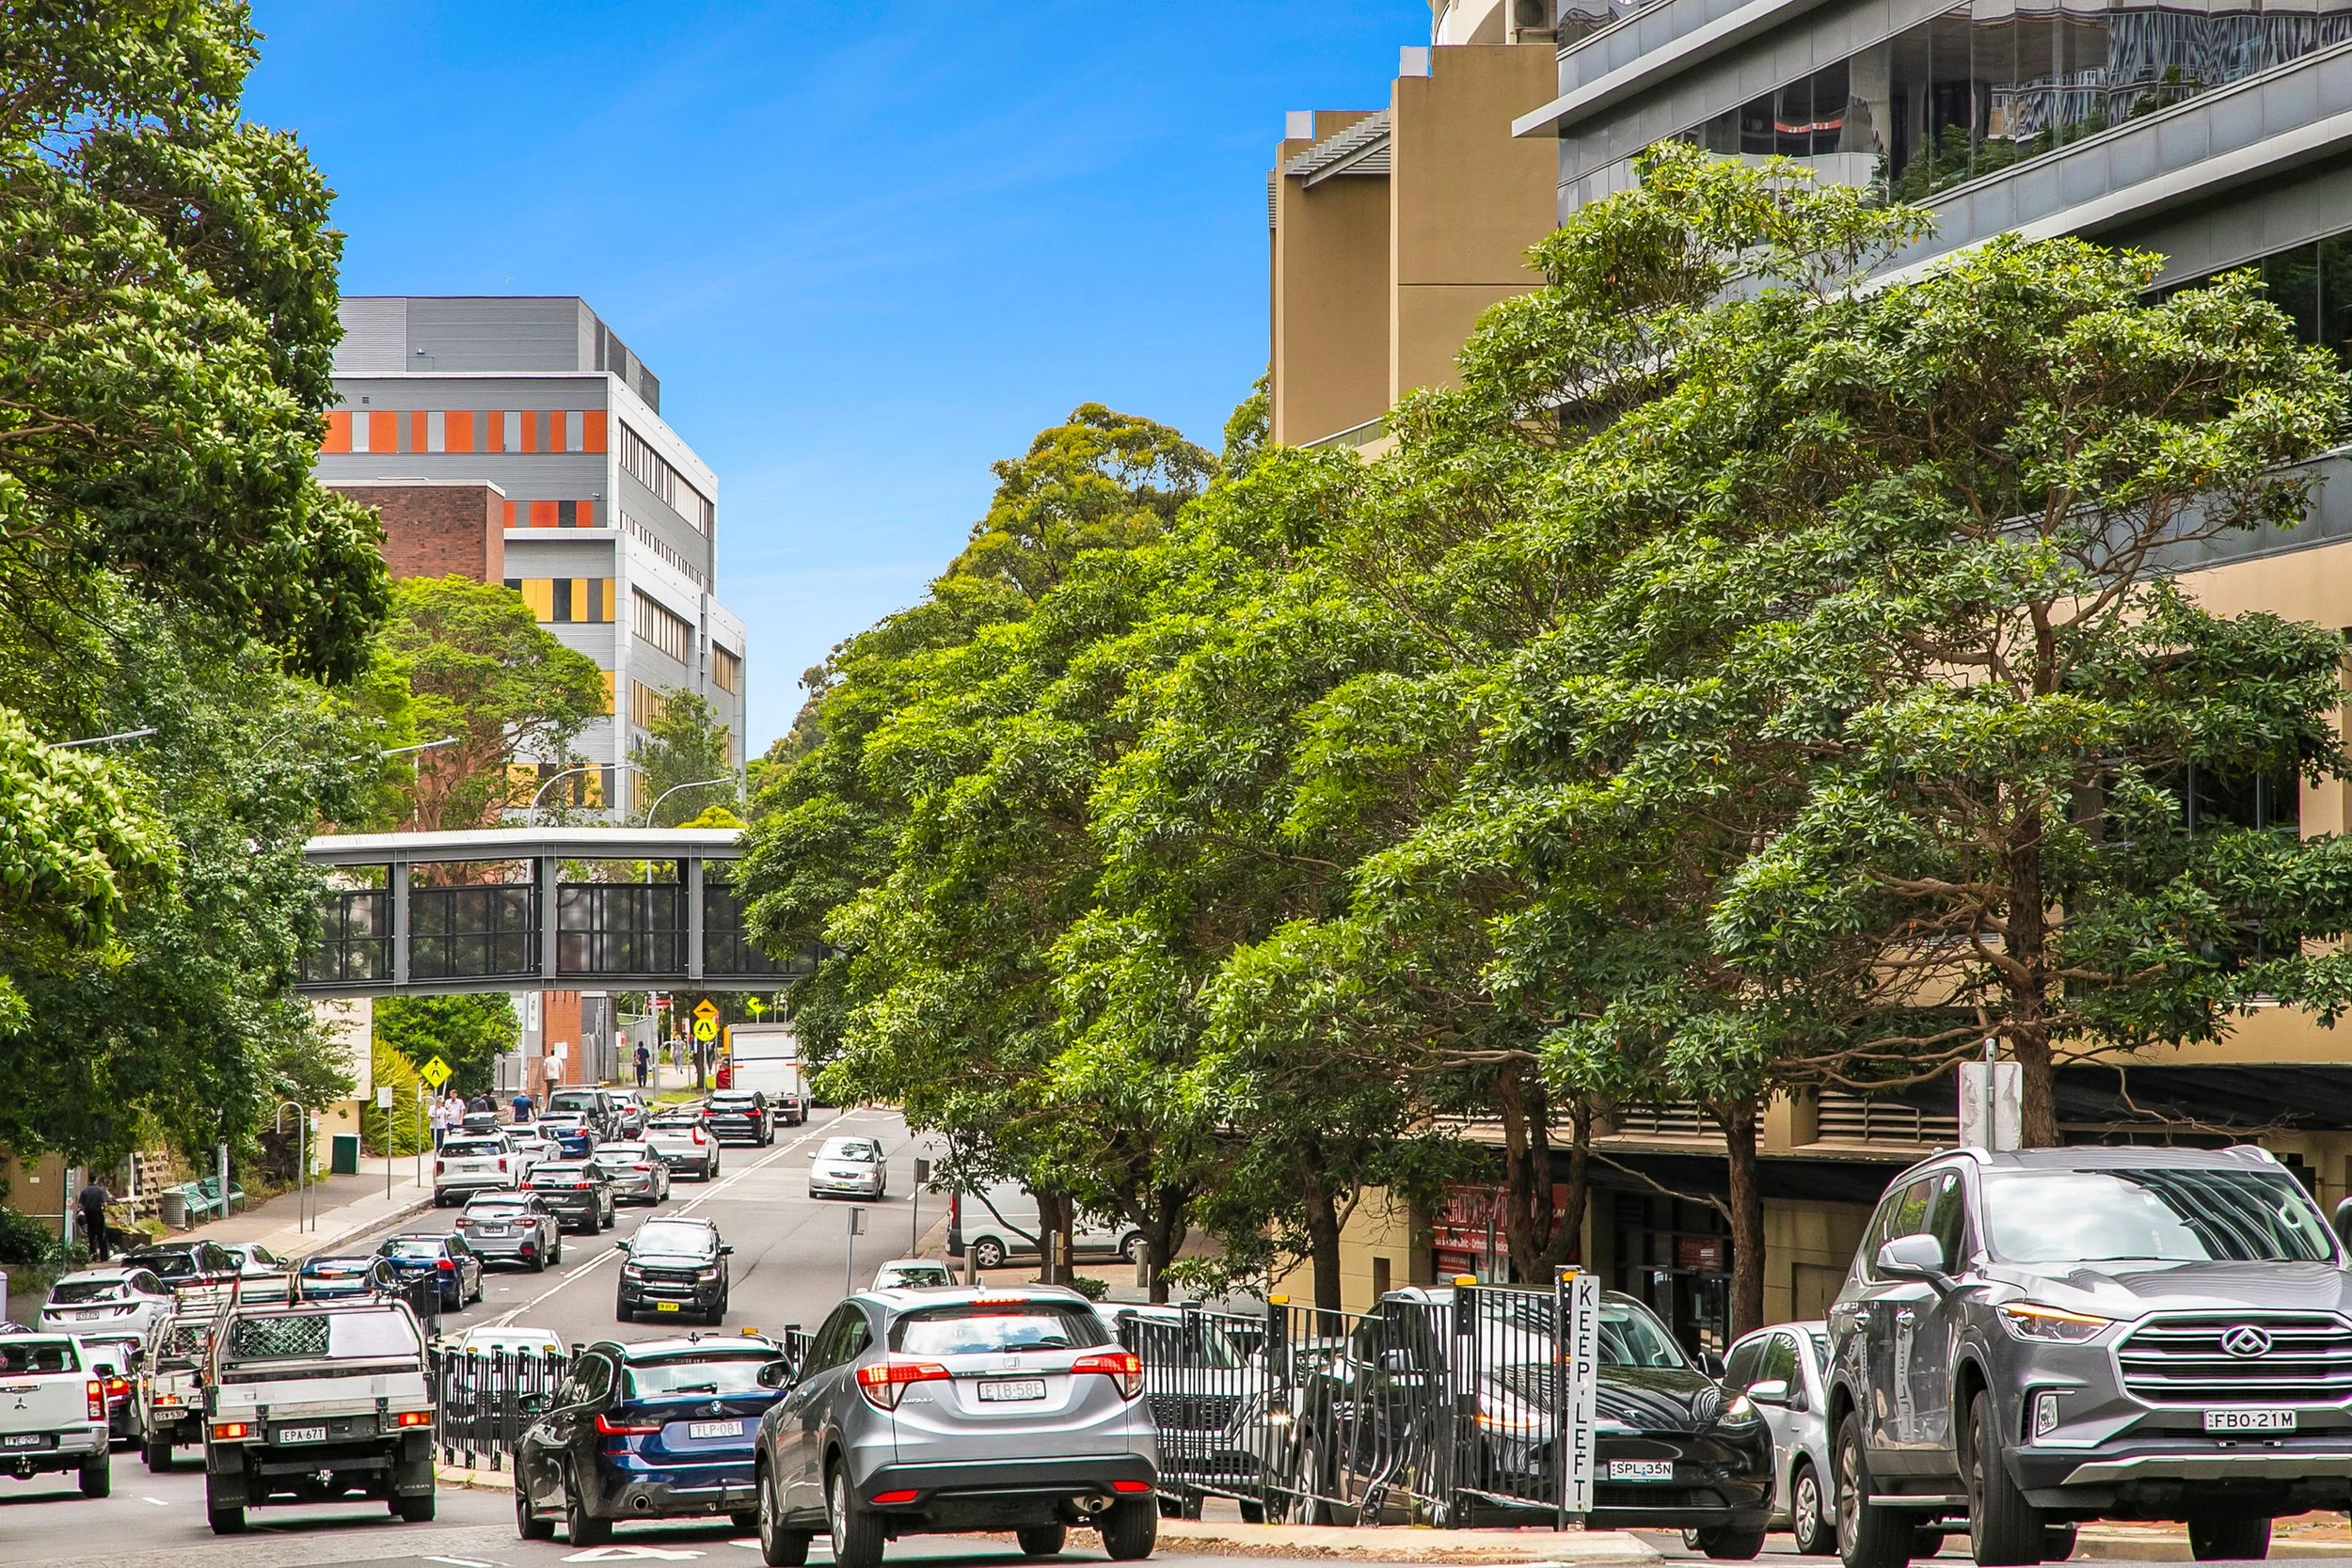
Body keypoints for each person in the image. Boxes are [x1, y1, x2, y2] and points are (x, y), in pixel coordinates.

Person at [75, 1176, 110, 1262]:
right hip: (98, 1215)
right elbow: (104, 1204)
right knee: (101, 1237)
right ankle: (104, 1257)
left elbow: (80, 1206)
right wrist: (103, 1209)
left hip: (88, 1216)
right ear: (96, 1179)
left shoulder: (84, 1191)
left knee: (91, 1237)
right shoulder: (101, 1191)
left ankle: (92, 1256)